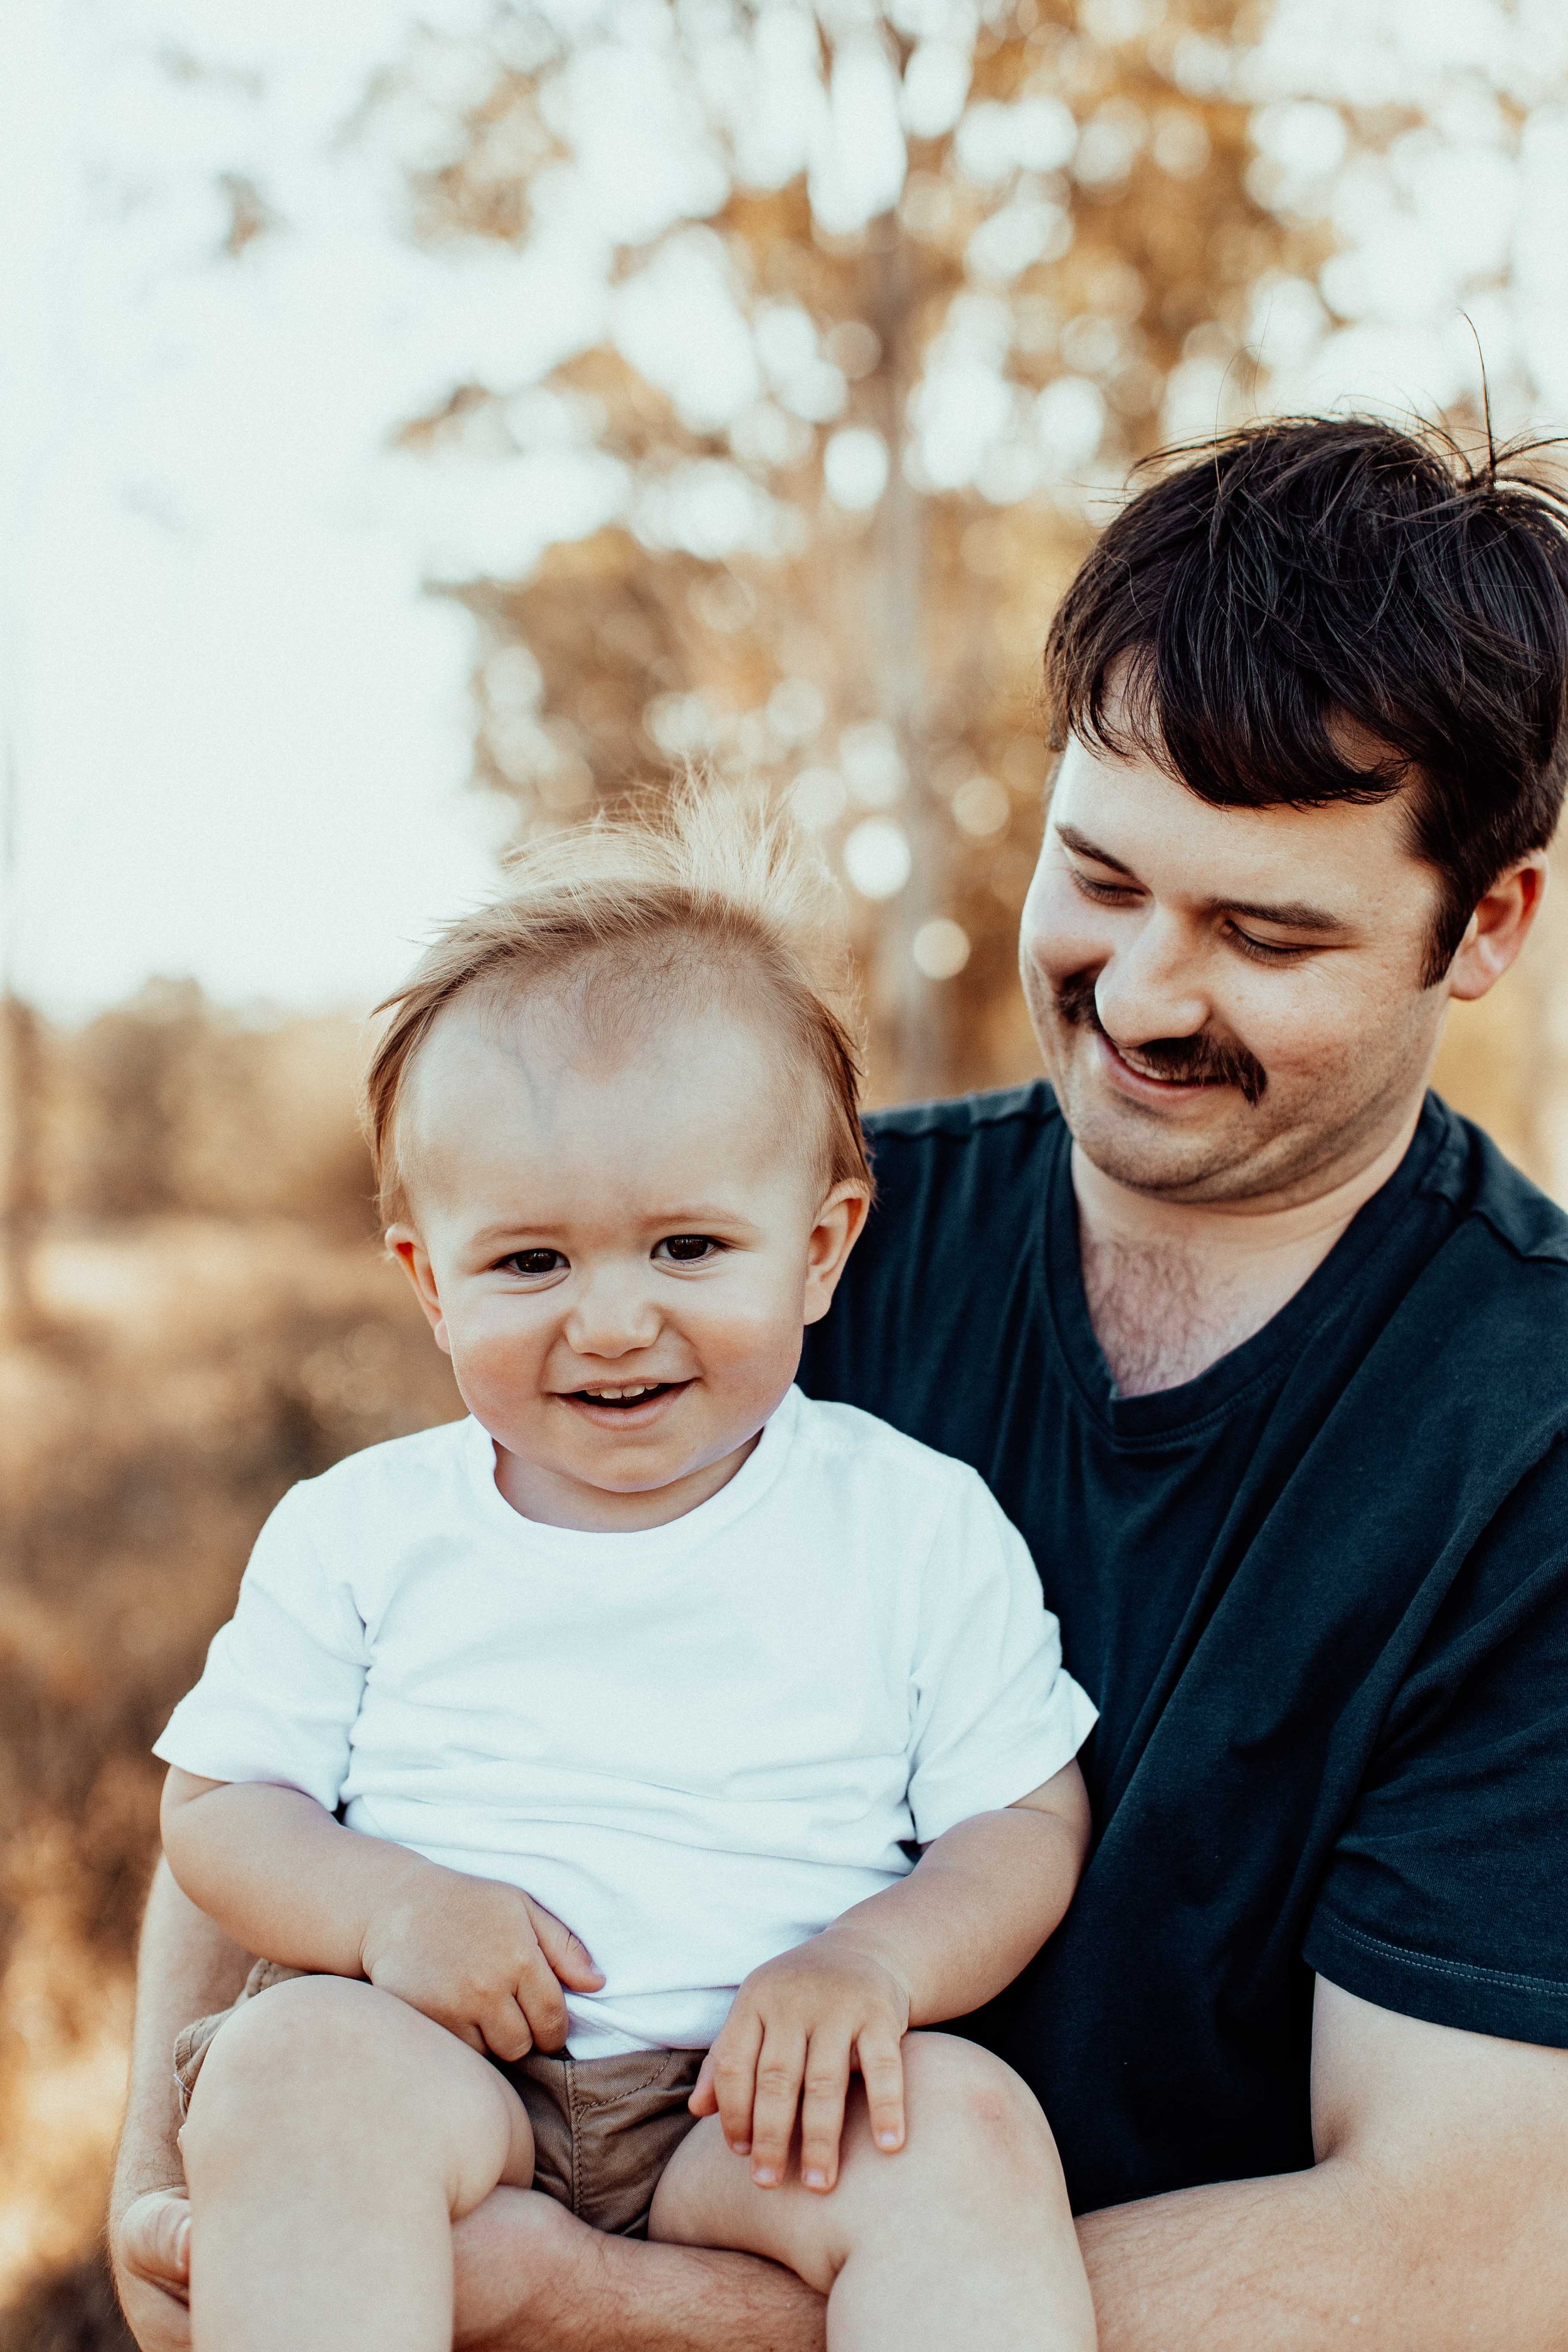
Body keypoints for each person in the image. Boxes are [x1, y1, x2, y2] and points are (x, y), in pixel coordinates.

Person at [114, 415, 1568, 2352]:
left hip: (882, 2214)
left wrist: (587, 2301)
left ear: (1484, 926)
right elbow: (303, 1727)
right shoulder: (742, 1239)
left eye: (1261, 931)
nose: (1137, 995)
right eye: (1098, 876)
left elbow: (1456, 2249)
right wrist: (189, 2193)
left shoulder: (1522, 1437)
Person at [145, 796, 1101, 2352]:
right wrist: (389, 1911)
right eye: (529, 1262)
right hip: (437, 2062)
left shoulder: (910, 1524)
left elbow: (1022, 1816)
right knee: (286, 2074)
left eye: (685, 1250)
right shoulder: (365, 1533)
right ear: (427, 1282)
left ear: (820, 1244)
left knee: (968, 2131)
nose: (609, 1321)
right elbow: (218, 1806)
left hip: (759, 2097)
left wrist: (872, 1961)